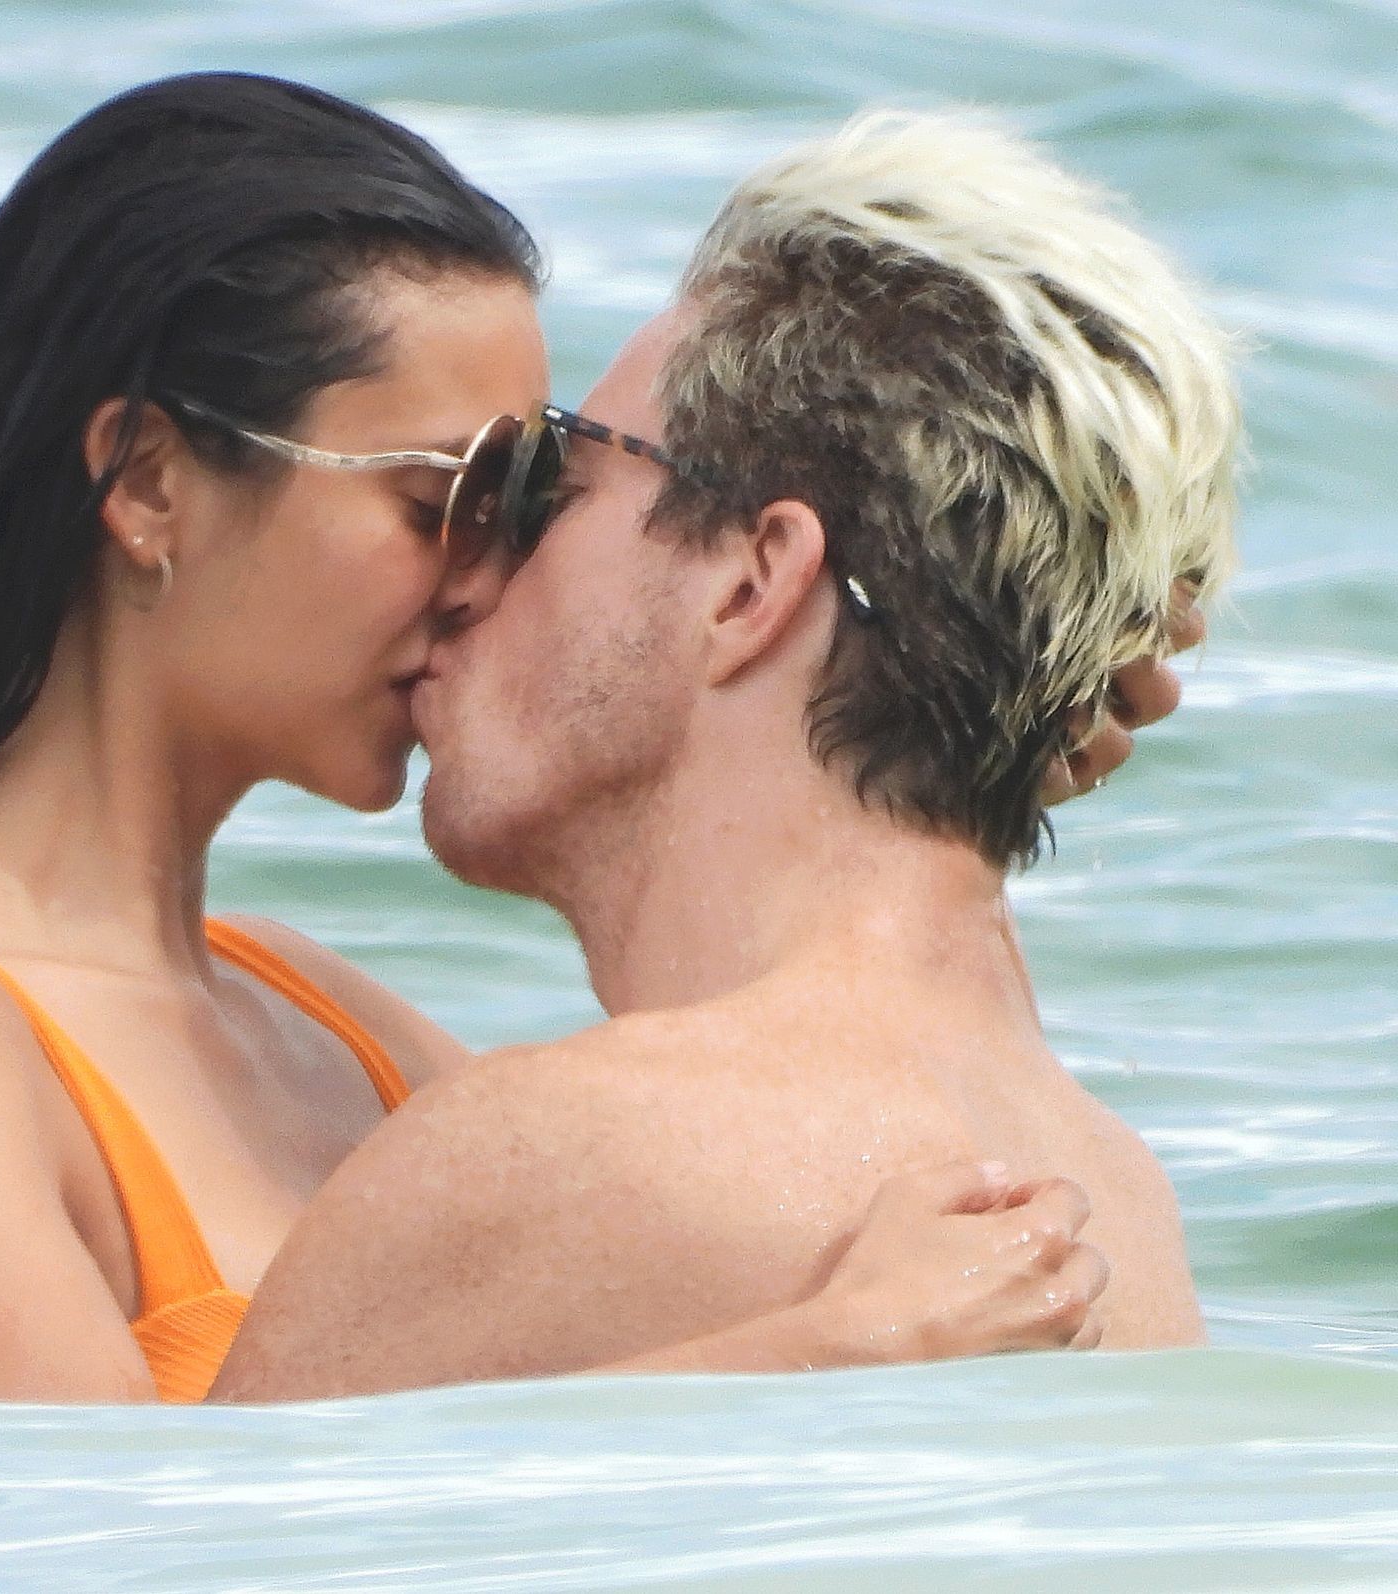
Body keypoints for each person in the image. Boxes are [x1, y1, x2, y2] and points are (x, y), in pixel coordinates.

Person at [0, 78, 1186, 1403]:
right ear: (146, 484)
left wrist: (991, 677)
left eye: (532, 499)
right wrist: (815, 1358)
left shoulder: (331, 1023)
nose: (487, 580)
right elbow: (82, 1564)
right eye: (439, 503)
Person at [211, 109, 1240, 1402]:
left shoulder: (559, 1155)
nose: (474, 573)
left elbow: (174, 1521)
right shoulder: (1119, 1201)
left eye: (552, 489)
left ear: (753, 582)